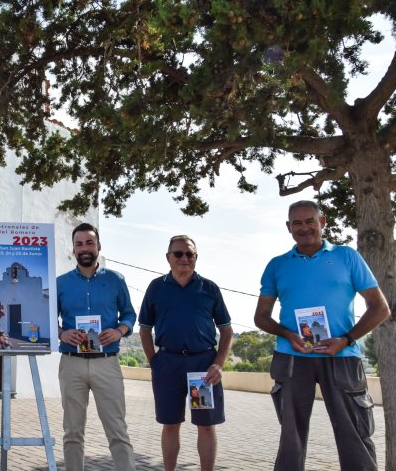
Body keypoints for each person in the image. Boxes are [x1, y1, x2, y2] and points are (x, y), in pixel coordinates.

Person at [254, 200, 390, 471]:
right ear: (288, 227)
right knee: (291, 439)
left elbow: (380, 309)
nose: (304, 228)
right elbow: (261, 317)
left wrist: (346, 339)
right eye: (297, 223)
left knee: (355, 437)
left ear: (322, 222)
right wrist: (287, 333)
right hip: (292, 357)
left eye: (309, 221)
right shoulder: (277, 265)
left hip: (342, 357)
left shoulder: (347, 257)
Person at [139, 235, 233, 471]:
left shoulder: (209, 288)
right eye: (178, 253)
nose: (184, 258)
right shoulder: (156, 287)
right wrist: (155, 362)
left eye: (189, 254)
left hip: (203, 365)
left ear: (196, 258)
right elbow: (144, 329)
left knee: (206, 425)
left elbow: (227, 331)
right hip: (168, 363)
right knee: (170, 423)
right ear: (168, 257)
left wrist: (218, 364)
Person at [57, 222, 136, 471]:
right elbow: (48, 320)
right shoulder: (61, 283)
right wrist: (62, 332)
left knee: (117, 430)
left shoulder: (116, 280)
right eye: (79, 244)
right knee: (72, 432)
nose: (84, 248)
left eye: (89, 242)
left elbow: (130, 314)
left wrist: (119, 331)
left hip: (107, 363)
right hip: (71, 364)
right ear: (73, 249)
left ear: (98, 246)